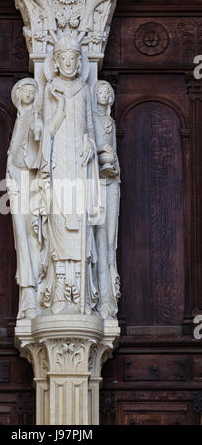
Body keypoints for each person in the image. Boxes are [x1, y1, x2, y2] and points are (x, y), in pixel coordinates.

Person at [39, 35, 101, 314]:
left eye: (73, 59)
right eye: (63, 58)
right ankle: (61, 288)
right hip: (58, 161)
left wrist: (89, 140)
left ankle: (81, 293)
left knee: (80, 218)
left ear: (78, 63)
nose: (68, 63)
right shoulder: (50, 89)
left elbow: (89, 122)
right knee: (60, 218)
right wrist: (61, 107)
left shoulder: (84, 90)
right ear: (55, 62)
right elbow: (47, 133)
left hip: (79, 160)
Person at [6, 78, 42, 319]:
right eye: (24, 90)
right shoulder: (21, 119)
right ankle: (28, 293)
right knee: (22, 236)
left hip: (34, 184)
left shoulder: (37, 119)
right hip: (16, 183)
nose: (28, 93)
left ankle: (37, 291)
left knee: (33, 233)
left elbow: (41, 149)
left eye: (32, 90)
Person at [93, 80, 121, 319]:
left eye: (107, 92)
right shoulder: (92, 120)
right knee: (99, 241)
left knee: (109, 242)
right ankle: (99, 299)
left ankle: (108, 300)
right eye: (99, 91)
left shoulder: (110, 121)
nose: (103, 95)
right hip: (95, 184)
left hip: (111, 183)